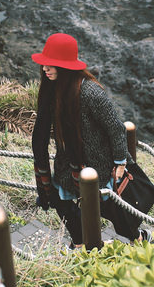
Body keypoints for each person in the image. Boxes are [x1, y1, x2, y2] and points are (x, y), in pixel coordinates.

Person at [30, 32, 144, 246]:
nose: (45, 69)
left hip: (100, 165)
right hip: (68, 163)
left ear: (64, 66)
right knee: (60, 200)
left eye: (50, 65)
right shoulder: (52, 90)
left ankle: (138, 239)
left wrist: (120, 162)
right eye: (44, 64)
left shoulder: (91, 92)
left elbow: (116, 128)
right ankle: (81, 242)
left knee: (111, 209)